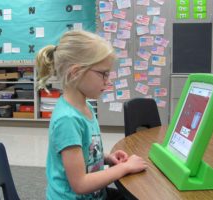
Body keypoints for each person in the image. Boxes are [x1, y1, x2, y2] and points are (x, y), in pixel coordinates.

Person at [36, 30, 148, 200]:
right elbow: (80, 184)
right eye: (103, 73)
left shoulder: (85, 106)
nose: (108, 81)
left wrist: (107, 159)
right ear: (75, 72)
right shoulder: (68, 120)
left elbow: (85, 151)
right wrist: (123, 168)